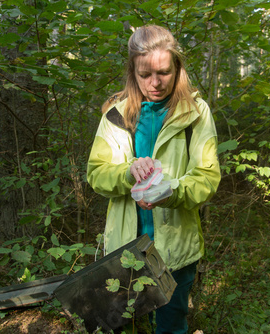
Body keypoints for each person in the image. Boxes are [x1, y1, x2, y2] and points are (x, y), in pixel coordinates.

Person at [87, 25, 221, 334]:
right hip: (125, 250)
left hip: (175, 249)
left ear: (177, 67)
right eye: (145, 74)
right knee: (124, 327)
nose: (155, 83)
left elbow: (207, 177)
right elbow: (96, 173)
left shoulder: (196, 114)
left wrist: (171, 192)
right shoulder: (115, 116)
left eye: (163, 72)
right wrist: (126, 172)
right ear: (132, 70)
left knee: (171, 327)